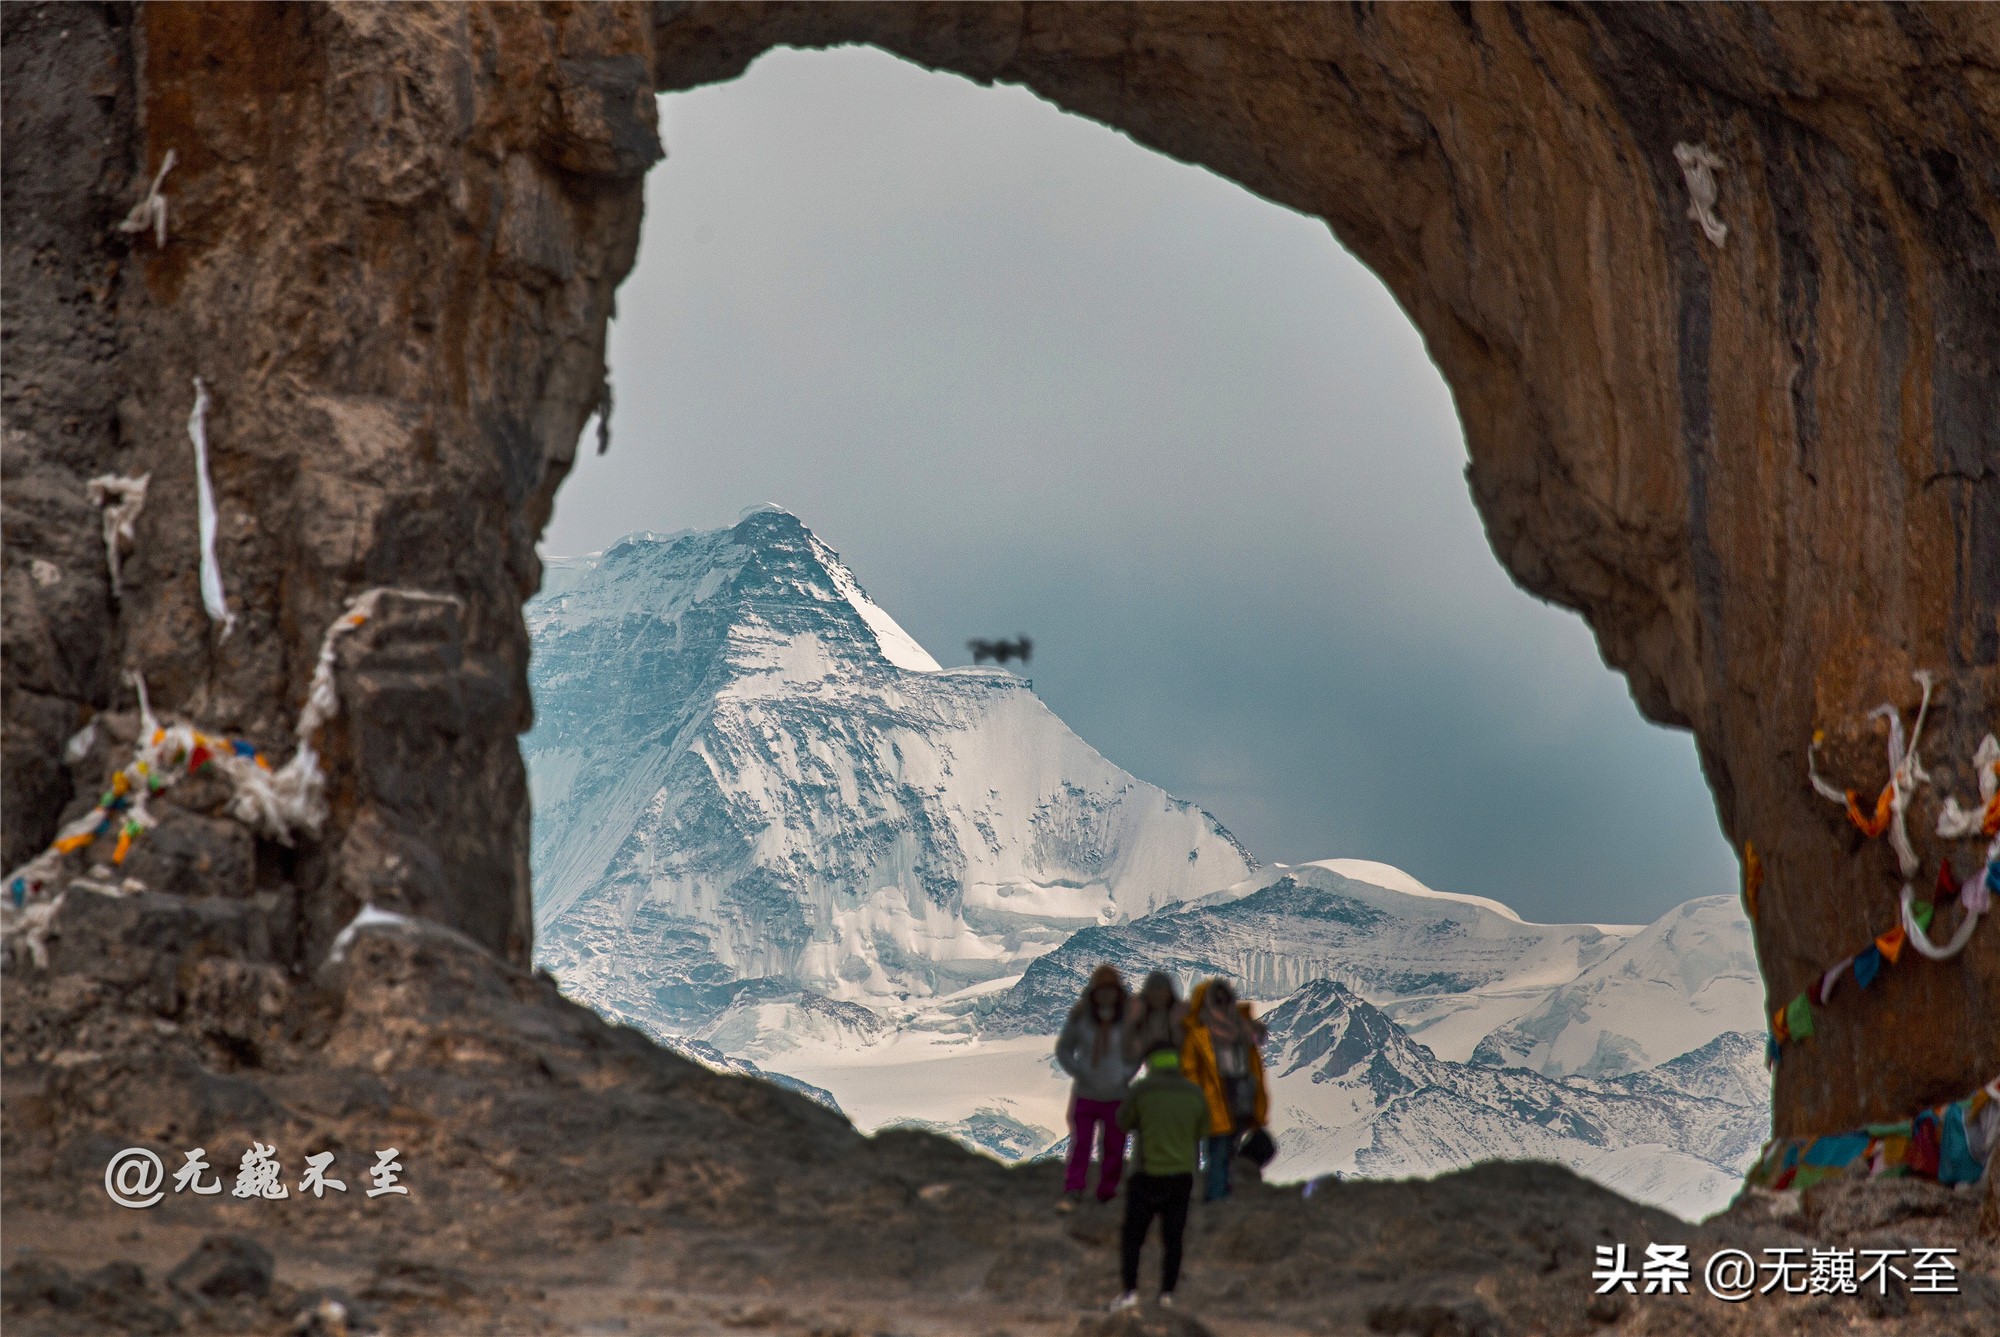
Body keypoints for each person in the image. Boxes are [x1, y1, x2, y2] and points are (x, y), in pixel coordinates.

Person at [1112, 1046, 1209, 1311]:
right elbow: (1203, 1128)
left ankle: (1130, 1292)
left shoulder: (1143, 1090)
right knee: (1173, 1238)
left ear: (1150, 1063)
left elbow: (1123, 1121)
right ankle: (1167, 1295)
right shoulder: (1194, 1092)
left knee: (1133, 1237)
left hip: (1145, 1173)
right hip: (1181, 1174)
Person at [1054, 963, 1139, 1209]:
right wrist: (1079, 1071)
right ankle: (1074, 1187)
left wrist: (1125, 1074)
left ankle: (1107, 1190)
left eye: (1110, 990)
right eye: (1102, 990)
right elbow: (1064, 1048)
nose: (1106, 995)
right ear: (1094, 992)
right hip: (1087, 1094)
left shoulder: (1126, 1021)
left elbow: (1135, 1052)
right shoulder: (1081, 1017)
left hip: (1116, 1094)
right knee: (1081, 1142)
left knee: (1114, 1144)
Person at [1181, 977, 1268, 1202]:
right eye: (1216, 1000)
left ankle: (1220, 1192)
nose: (1221, 1004)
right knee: (1218, 1150)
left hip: (1239, 1097)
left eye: (1224, 999)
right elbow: (1189, 1069)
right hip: (1211, 1099)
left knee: (1228, 1149)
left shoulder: (1242, 1028)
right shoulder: (1198, 1033)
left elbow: (1254, 1059)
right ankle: (1216, 1198)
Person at [1123, 970, 1185, 1063]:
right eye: (1154, 989)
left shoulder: (1180, 1016)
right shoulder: (1138, 1016)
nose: (1158, 994)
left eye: (1161, 989)